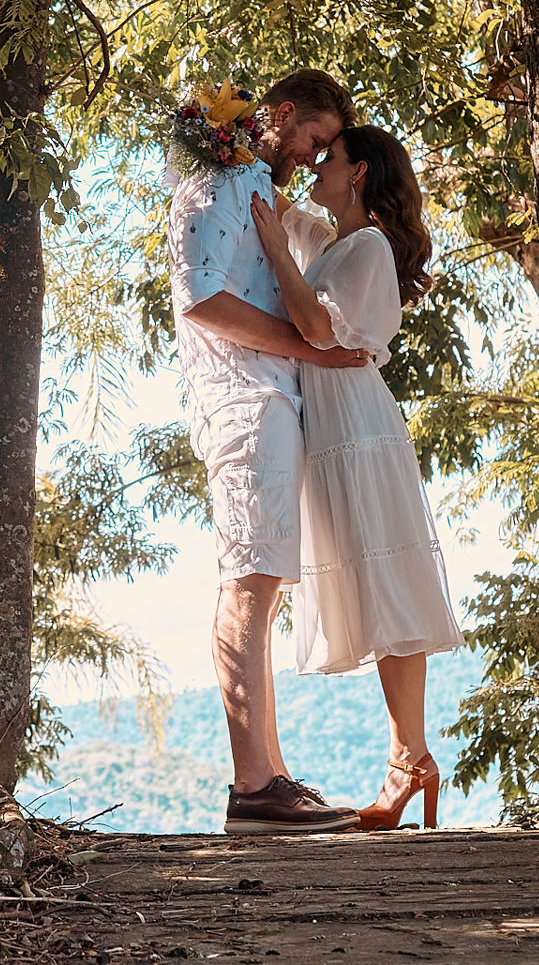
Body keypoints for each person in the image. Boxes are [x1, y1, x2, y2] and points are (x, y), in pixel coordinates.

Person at [167, 68, 369, 835]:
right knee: (249, 583)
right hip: (244, 402)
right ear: (283, 116)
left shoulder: (255, 184)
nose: (315, 158)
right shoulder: (218, 181)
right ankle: (255, 789)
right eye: (315, 141)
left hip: (271, 400)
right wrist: (307, 353)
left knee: (265, 584)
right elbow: (201, 298)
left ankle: (270, 779)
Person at [249, 125, 465, 832]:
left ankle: (409, 762)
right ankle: (411, 759)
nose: (317, 165)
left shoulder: (367, 246)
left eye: (330, 157)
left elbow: (315, 325)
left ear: (360, 172)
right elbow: (282, 206)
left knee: (389, 590)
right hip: (332, 429)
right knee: (375, 595)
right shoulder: (335, 241)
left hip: (360, 432)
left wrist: (279, 252)